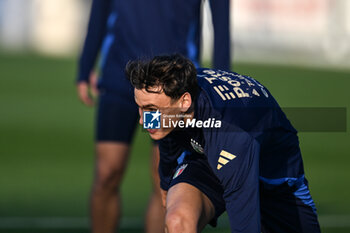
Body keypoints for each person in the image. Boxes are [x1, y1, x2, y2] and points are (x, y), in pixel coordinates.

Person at [76, 0, 231, 232]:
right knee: (107, 172)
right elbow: (101, 7)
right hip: (119, 76)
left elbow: (220, 16)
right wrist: (86, 63)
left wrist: (221, 78)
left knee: (165, 180)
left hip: (171, 85)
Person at [126, 54, 321, 233]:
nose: (143, 121)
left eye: (151, 109)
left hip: (274, 177)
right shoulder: (176, 95)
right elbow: (170, 137)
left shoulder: (231, 132)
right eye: (140, 108)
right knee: (178, 220)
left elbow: (245, 225)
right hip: (207, 158)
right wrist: (166, 181)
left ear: (184, 102)